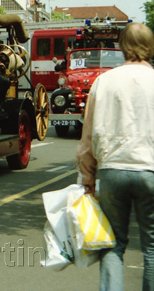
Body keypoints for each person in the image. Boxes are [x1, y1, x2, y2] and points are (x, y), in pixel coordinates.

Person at [76, 22, 154, 291]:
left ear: (122, 47)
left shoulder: (104, 81)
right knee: (152, 248)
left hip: (112, 170)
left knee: (113, 244)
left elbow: (88, 136)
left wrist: (87, 176)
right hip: (150, 170)